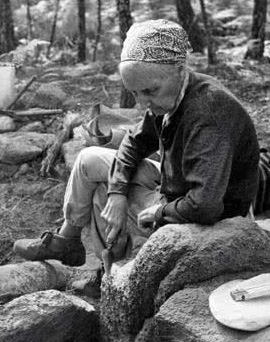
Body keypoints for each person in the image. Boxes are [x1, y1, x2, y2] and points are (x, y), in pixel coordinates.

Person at [14, 19, 260, 269]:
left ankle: (110, 269)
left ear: (180, 69)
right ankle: (69, 240)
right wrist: (118, 193)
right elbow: (133, 143)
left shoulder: (209, 113)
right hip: (174, 188)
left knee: (101, 193)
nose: (143, 103)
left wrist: (157, 213)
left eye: (150, 91)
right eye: (134, 93)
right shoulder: (171, 94)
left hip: (213, 220)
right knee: (91, 163)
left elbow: (205, 205)